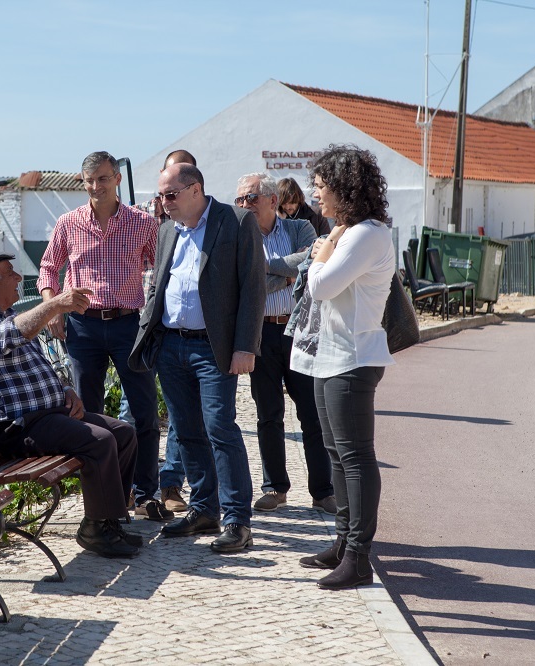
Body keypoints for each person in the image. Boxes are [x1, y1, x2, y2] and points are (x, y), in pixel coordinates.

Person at [0, 249, 142, 559]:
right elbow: (5, 337)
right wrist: (54, 304)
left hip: (47, 416)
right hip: (18, 426)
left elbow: (41, 364)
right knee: (99, 441)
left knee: (123, 433)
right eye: (10, 273)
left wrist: (66, 389)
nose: (18, 278)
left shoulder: (6, 315)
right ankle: (96, 529)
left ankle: (110, 522)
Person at [130, 163, 266, 553]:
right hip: (171, 346)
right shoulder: (166, 230)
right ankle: (204, 509)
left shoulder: (236, 221)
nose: (163, 202)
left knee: (219, 427)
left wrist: (245, 346)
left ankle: (237, 521)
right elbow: (158, 284)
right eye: (160, 195)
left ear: (195, 190)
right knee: (187, 430)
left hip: (213, 347)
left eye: (170, 195)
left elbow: (253, 287)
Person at [37, 151, 172, 523]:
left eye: (102, 178)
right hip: (83, 327)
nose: (96, 186)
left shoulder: (142, 223)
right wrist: (52, 308)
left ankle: (146, 494)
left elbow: (162, 269)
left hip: (129, 326)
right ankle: (102, 500)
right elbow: (48, 269)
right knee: (86, 416)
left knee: (144, 413)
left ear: (116, 179)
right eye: (89, 180)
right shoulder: (68, 223)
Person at [291, 145, 396, 589]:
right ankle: (341, 543)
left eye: (320, 186)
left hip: (353, 359)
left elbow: (320, 287)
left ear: (343, 188)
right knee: (336, 454)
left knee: (355, 458)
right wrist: (330, 243)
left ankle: (358, 557)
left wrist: (324, 249)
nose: (315, 194)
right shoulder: (350, 232)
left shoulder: (364, 235)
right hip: (330, 356)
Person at [234, 172, 337, 516]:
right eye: (240, 199)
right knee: (268, 415)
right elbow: (243, 282)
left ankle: (323, 492)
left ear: (272, 200)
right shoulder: (239, 234)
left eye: (251, 198)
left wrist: (263, 269)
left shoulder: (299, 228)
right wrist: (286, 272)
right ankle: (275, 488)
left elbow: (311, 265)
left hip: (299, 332)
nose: (244, 205)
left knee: (312, 414)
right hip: (260, 334)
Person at [132, 148, 198, 513]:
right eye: (165, 186)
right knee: (133, 409)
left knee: (177, 415)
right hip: (143, 328)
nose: (168, 196)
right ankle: (132, 485)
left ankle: (171, 485)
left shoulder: (196, 219)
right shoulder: (140, 216)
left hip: (177, 329)